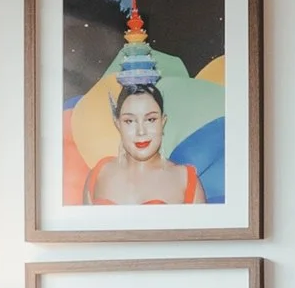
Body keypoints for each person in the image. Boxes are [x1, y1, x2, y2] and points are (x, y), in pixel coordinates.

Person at [82, 17, 206, 207]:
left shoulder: (185, 180)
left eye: (150, 119)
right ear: (117, 124)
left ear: (163, 122)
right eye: (130, 121)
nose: (141, 132)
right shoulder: (99, 174)